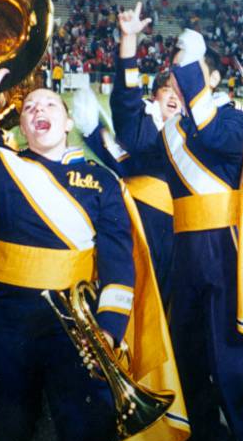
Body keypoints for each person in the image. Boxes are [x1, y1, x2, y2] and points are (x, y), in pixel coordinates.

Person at [0, 47, 185, 441]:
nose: (38, 110)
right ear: (22, 127)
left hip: (76, 330)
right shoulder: (2, 166)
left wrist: (110, 329)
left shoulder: (103, 182)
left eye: (50, 106)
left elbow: (119, 265)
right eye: (29, 108)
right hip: (1, 321)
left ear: (66, 124)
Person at [110, 7, 243, 441]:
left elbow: (213, 135)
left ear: (211, 78)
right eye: (172, 77)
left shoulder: (237, 121)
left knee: (229, 366)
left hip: (225, 253)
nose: (175, 84)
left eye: (186, 74)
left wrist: (189, 66)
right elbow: (129, 128)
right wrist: (128, 47)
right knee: (190, 362)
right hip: (185, 255)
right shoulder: (173, 135)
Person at [74, 74, 180, 304]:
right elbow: (126, 158)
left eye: (178, 90)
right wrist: (95, 133)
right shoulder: (142, 120)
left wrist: (96, 134)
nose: (173, 96)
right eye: (166, 89)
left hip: (175, 224)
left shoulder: (185, 126)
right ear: (154, 95)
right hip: (142, 216)